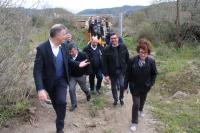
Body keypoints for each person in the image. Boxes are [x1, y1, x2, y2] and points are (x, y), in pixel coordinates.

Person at [33, 24, 89, 133]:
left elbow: (67, 61)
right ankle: (59, 115)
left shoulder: (63, 46)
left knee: (62, 102)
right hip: (49, 83)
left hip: (62, 80)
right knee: (56, 103)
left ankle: (60, 128)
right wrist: (40, 89)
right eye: (64, 34)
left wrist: (78, 64)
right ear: (57, 35)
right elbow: (37, 70)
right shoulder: (42, 48)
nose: (67, 36)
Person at [124, 38, 158, 132]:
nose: (143, 54)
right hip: (134, 86)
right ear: (138, 51)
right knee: (136, 104)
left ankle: (141, 110)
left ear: (148, 53)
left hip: (145, 87)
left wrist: (151, 84)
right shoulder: (132, 60)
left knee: (142, 101)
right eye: (141, 52)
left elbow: (154, 74)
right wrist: (125, 86)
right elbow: (127, 74)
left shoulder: (151, 61)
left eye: (145, 52)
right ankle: (134, 122)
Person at [102, 32, 129, 106]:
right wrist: (106, 74)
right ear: (110, 40)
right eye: (112, 38)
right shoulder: (106, 49)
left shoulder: (123, 47)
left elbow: (127, 59)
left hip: (121, 70)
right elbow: (104, 63)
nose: (114, 40)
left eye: (115, 38)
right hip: (112, 71)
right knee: (113, 87)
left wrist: (128, 70)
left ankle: (121, 98)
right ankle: (115, 99)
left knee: (122, 85)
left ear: (118, 39)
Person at [68, 43, 91, 112]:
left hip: (81, 76)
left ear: (76, 49)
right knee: (71, 89)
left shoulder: (83, 55)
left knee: (84, 88)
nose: (71, 53)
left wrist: (86, 74)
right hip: (72, 76)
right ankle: (74, 105)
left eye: (72, 51)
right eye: (69, 52)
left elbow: (88, 64)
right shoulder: (68, 56)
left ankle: (88, 93)